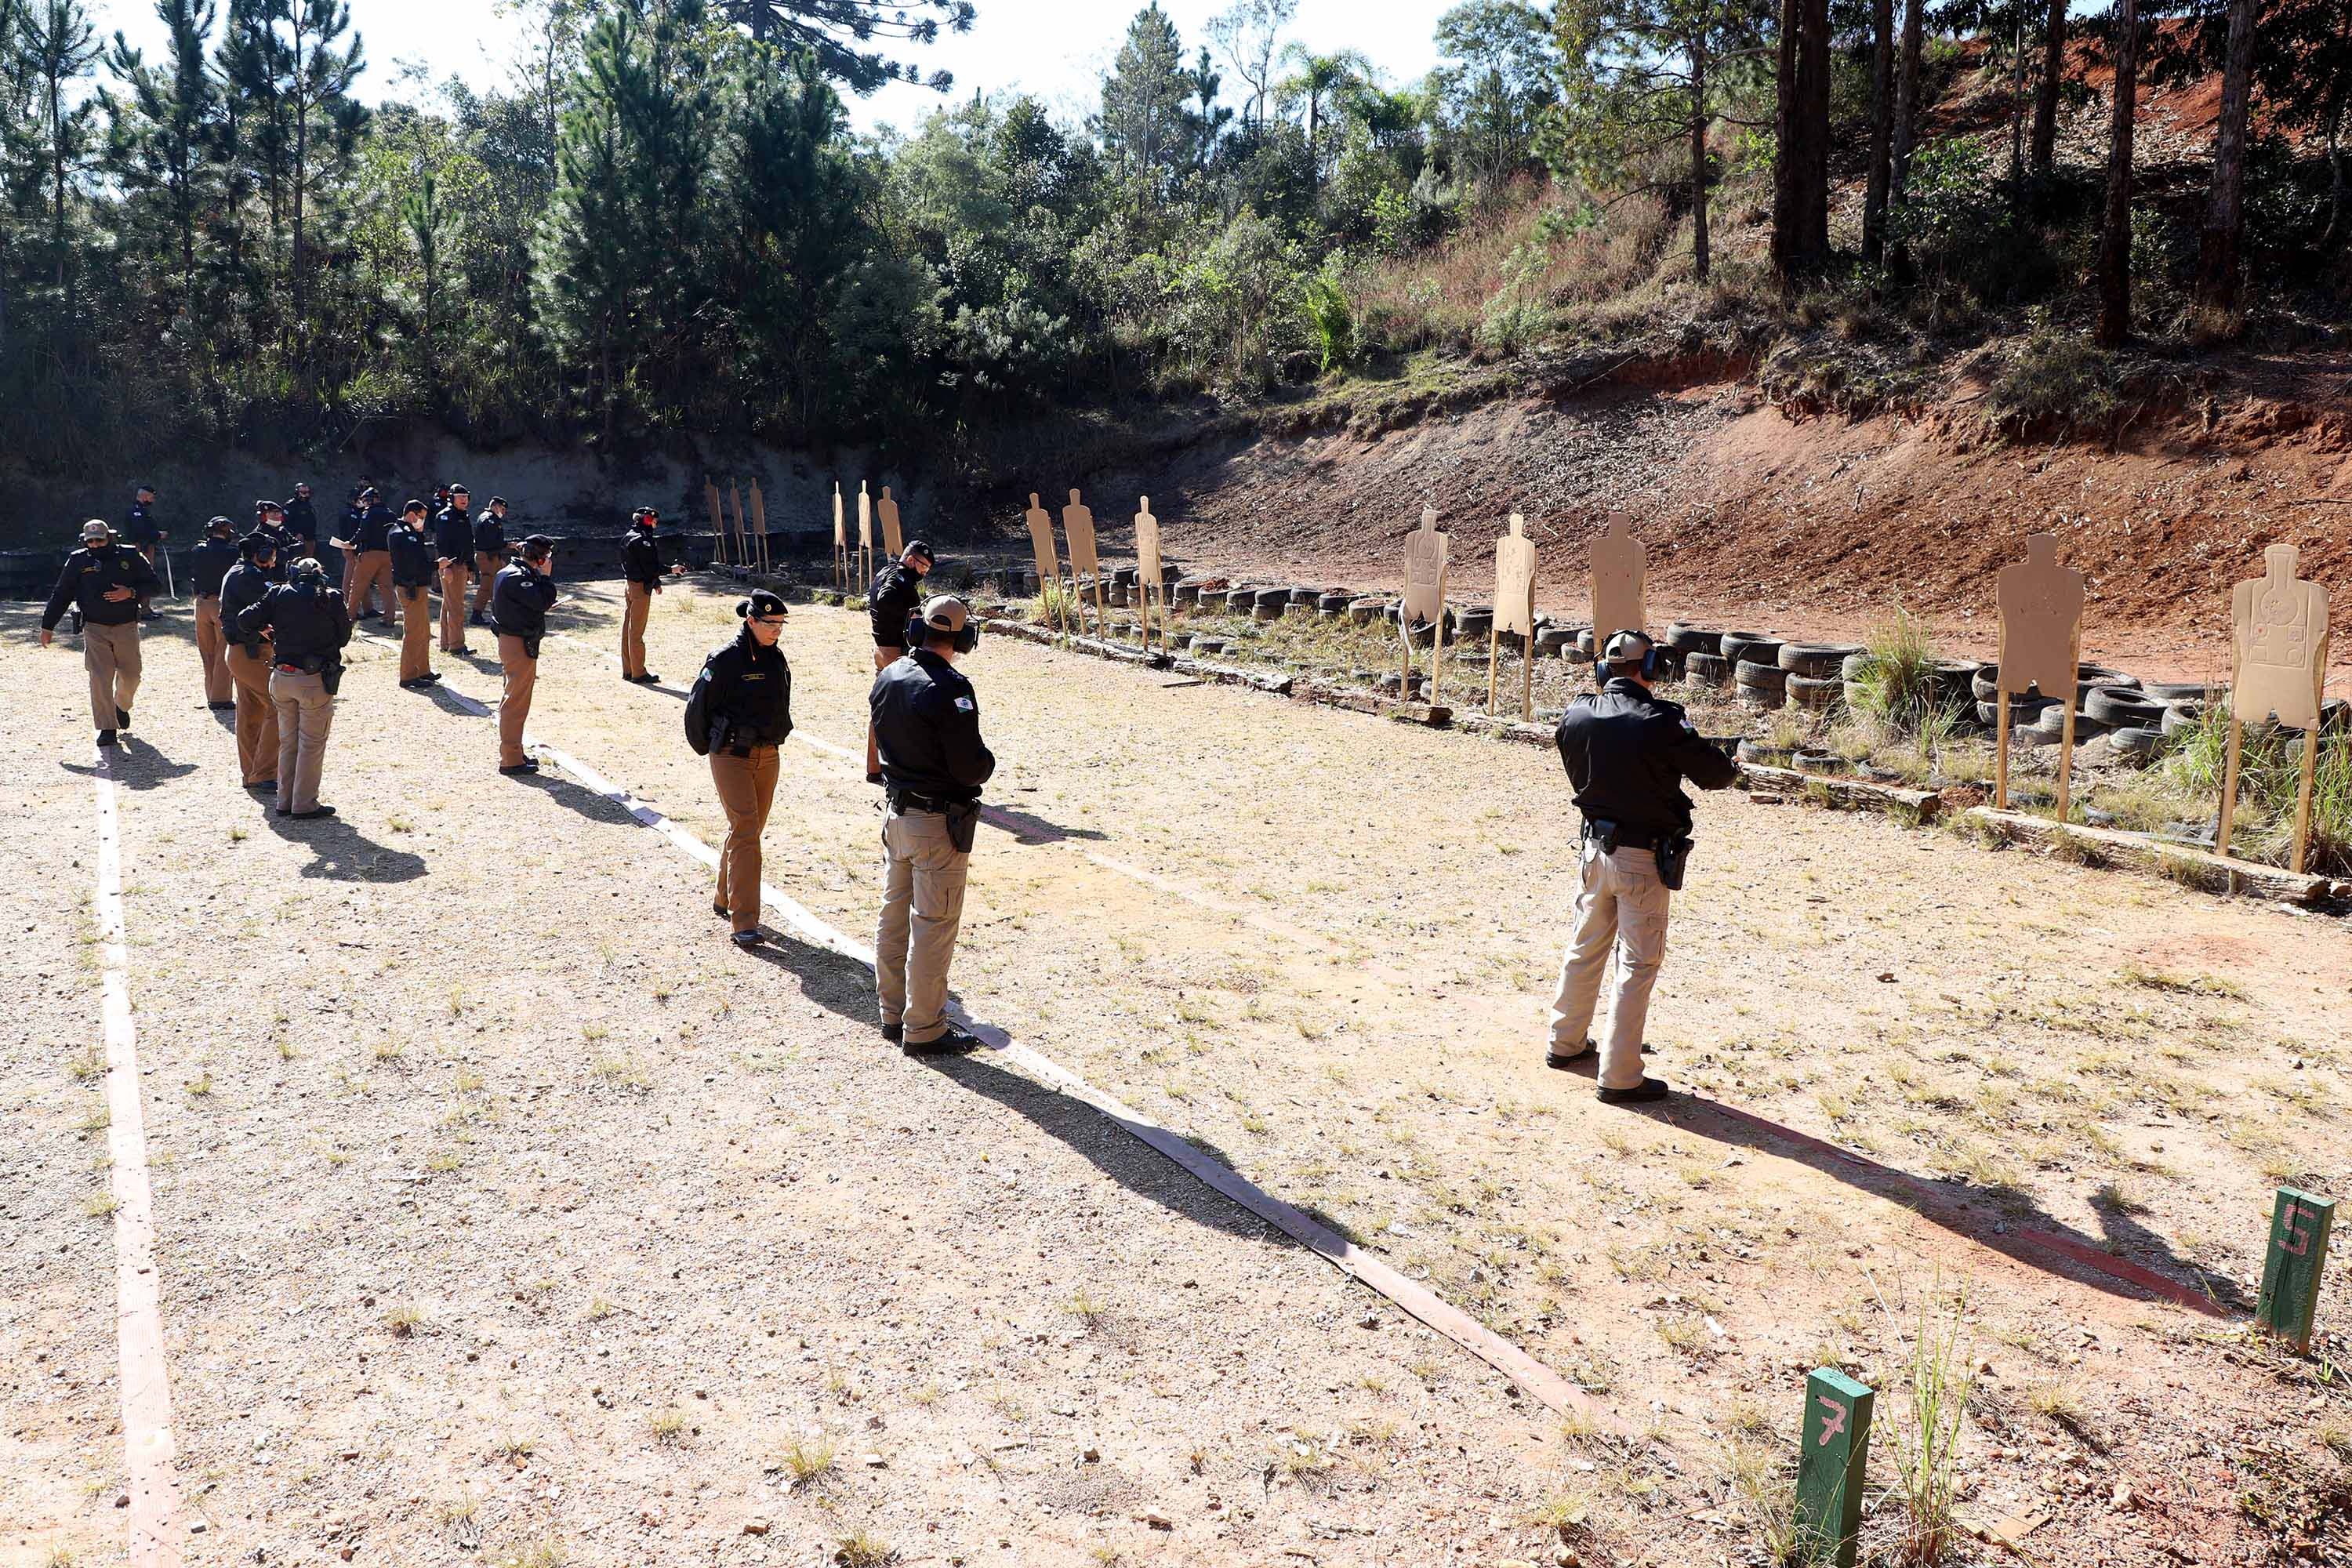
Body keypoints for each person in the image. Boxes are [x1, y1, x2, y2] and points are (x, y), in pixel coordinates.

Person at [1546, 630, 1738, 1104]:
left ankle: (1565, 1041)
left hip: (1594, 848)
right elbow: (1716, 775)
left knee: (1585, 947)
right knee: (1636, 964)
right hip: (1642, 857)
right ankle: (1620, 1075)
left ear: (1604, 669)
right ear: (1649, 668)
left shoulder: (1577, 714)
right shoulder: (1661, 721)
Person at [870, 596, 993, 1057]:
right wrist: (987, 764)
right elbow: (970, 767)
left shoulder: (889, 675)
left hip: (897, 815)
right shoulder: (951, 687)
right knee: (933, 925)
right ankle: (923, 1028)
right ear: (963, 639)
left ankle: (892, 1011)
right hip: (937, 822)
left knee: (894, 915)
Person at [684, 591, 793, 948]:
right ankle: (744, 920)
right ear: (751, 621)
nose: (776, 630)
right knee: (746, 830)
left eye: (780, 624)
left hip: (767, 754)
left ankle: (724, 896)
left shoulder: (776, 658)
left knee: (748, 829)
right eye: (770, 624)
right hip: (732, 754)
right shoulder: (726, 659)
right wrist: (710, 749)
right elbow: (697, 707)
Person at [234, 557, 352, 820]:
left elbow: (244, 620)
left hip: (282, 676)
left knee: (288, 742)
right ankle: (304, 803)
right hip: (313, 679)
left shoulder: (278, 594)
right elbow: (344, 637)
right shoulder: (332, 597)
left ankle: (284, 800)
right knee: (311, 743)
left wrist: (268, 631)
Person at [40, 520, 162, 749]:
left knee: (132, 676)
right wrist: (48, 626)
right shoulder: (78, 560)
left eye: (100, 540)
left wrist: (131, 592)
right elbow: (62, 593)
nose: (95, 545)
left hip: (126, 626)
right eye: (91, 541)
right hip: (94, 628)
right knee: (99, 678)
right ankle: (107, 728)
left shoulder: (129, 555)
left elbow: (155, 585)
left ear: (110, 538)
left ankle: (121, 706)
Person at [488, 535, 560, 776]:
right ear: (539, 558)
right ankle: (510, 759)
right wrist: (547, 578)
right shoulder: (519, 578)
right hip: (517, 642)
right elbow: (542, 600)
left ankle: (514, 752)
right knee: (515, 703)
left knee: (514, 699)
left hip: (514, 639)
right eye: (546, 557)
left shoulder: (511, 572)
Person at [864, 540, 934, 783]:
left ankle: (874, 767)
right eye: (923, 567)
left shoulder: (886, 571)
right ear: (911, 560)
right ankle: (899, 769)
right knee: (901, 711)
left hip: (882, 648)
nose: (924, 573)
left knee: (880, 708)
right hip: (895, 651)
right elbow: (886, 599)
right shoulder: (900, 578)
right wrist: (912, 613)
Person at [217, 535, 281, 793]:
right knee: (281, 706)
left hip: (244, 652)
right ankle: (264, 773)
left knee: (251, 714)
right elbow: (273, 606)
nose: (274, 560)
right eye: (271, 555)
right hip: (252, 653)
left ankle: (252, 773)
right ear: (261, 554)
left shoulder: (242, 572)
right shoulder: (249, 576)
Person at [187, 515, 242, 710]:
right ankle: (220, 698)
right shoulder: (233, 553)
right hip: (221, 603)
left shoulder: (198, 550)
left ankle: (211, 693)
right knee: (223, 651)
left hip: (201, 603)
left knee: (207, 652)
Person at [387, 499, 441, 688]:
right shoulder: (400, 533)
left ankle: (423, 669)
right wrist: (436, 566)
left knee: (423, 630)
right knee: (413, 632)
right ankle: (408, 675)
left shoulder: (409, 533)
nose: (422, 522)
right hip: (410, 587)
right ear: (412, 514)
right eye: (421, 517)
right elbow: (414, 563)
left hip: (417, 586)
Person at [619, 506, 665, 684]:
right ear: (646, 520)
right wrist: (670, 570)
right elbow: (651, 567)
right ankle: (639, 672)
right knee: (636, 632)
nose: (654, 524)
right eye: (652, 520)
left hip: (630, 585)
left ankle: (628, 670)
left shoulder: (628, 536)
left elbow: (638, 564)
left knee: (627, 630)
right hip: (640, 588)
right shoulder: (643, 540)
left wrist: (656, 582)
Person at [434, 483, 476, 655]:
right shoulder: (445, 516)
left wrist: (471, 567)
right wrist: (448, 567)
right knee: (456, 607)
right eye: (460, 497)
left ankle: (446, 643)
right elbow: (442, 544)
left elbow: (468, 543)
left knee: (449, 604)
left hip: (461, 564)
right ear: (452, 498)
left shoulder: (463, 515)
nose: (464, 500)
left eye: (466, 497)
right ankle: (457, 645)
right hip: (452, 565)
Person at [345, 486, 396, 622]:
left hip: (370, 554)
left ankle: (350, 616)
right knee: (387, 588)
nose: (365, 504)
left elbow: (363, 532)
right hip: (388, 554)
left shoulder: (369, 513)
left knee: (357, 585)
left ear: (373, 500)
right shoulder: (391, 514)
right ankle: (389, 618)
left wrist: (350, 543)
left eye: (367, 501)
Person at [470, 495, 510, 626]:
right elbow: (492, 541)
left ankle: (499, 612)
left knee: (499, 583)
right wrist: (507, 545)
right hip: (488, 556)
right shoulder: (489, 519)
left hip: (492, 556)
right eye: (502, 509)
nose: (503, 512)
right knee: (487, 586)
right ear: (495, 506)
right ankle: (476, 614)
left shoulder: (489, 518)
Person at [124, 485, 164, 617]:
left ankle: (144, 608)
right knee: (145, 576)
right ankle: (143, 610)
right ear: (144, 496)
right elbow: (140, 532)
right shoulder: (136, 512)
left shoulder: (142, 510)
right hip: (142, 547)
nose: (152, 500)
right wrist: (158, 535)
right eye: (151, 497)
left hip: (145, 546)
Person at [251, 500, 295, 583]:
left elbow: (300, 547)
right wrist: (285, 552)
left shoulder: (282, 530)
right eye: (274, 513)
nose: (278, 515)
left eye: (279, 513)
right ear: (264, 515)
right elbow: (273, 557)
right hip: (269, 576)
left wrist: (286, 551)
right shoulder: (259, 534)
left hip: (285, 574)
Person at [283, 482, 319, 556]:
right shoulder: (290, 505)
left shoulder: (308, 505)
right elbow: (285, 523)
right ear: (297, 493)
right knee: (297, 559)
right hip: (297, 538)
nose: (306, 495)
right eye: (303, 492)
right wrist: (295, 534)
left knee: (310, 560)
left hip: (310, 538)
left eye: (308, 492)